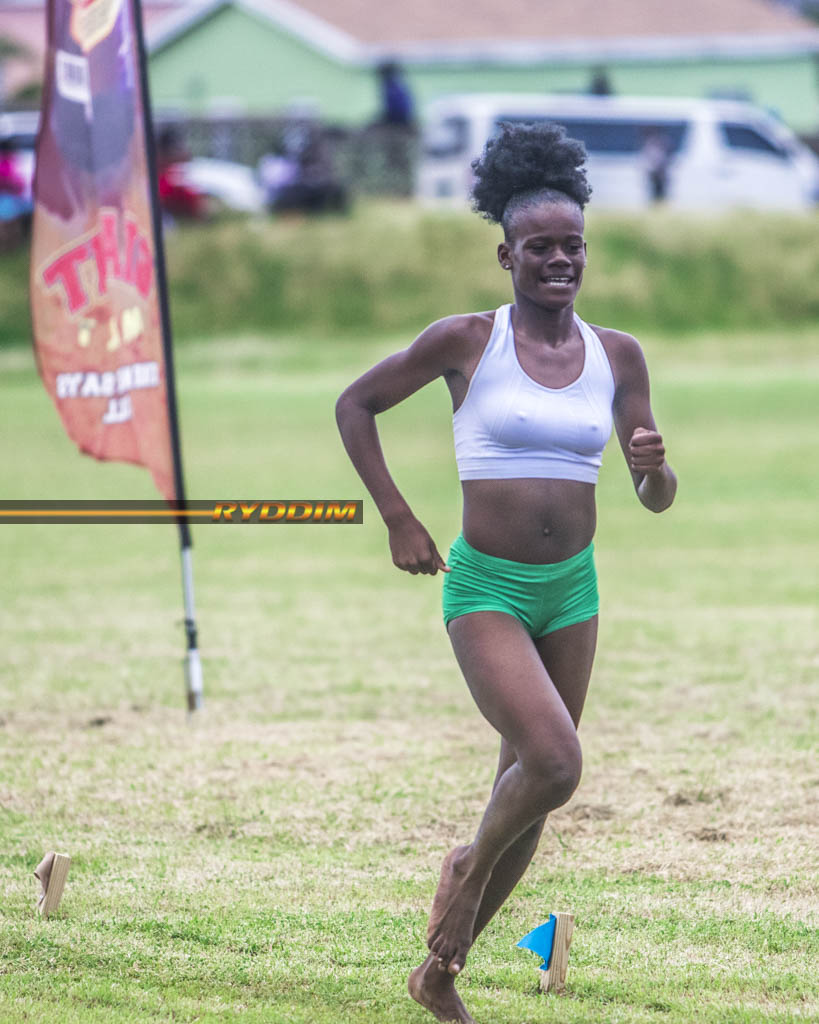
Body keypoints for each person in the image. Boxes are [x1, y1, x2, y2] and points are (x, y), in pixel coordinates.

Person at [335, 121, 677, 1024]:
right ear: (505, 254)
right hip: (486, 586)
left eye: (573, 246)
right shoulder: (465, 341)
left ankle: (437, 976)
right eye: (540, 247)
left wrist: (653, 466)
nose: (560, 260)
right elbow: (355, 404)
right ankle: (465, 868)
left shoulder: (617, 354)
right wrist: (399, 517)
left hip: (573, 590)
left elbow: (654, 497)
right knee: (554, 762)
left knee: (526, 792)